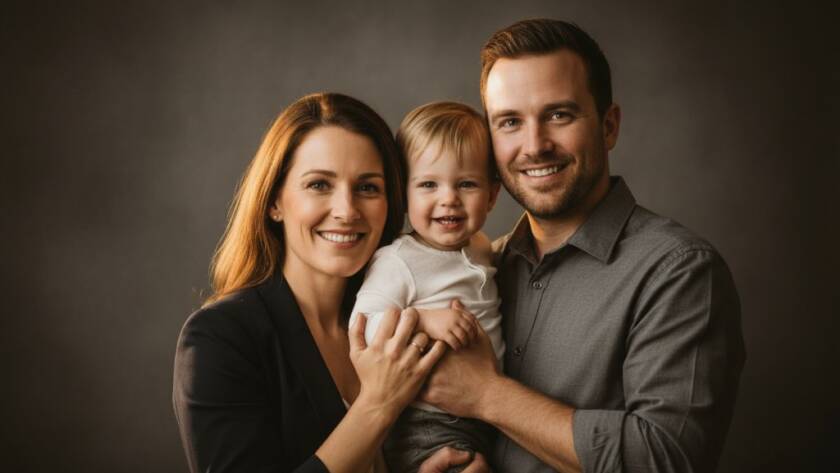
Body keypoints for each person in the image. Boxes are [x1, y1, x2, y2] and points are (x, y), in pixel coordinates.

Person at [419, 19, 746, 473]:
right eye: (510, 122)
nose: (534, 146)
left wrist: (486, 395)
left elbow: (666, 459)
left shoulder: (679, 271)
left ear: (608, 126)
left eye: (559, 115)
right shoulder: (484, 266)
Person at [172, 93, 488, 473]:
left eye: (368, 187)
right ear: (275, 201)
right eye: (319, 185)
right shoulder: (221, 338)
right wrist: (377, 405)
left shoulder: (403, 313)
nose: (347, 211)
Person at [350, 102, 504, 472]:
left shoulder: (481, 246)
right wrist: (422, 320)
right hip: (426, 420)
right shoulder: (399, 259)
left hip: (488, 414)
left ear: (492, 196)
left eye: (466, 184)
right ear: (404, 194)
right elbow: (364, 325)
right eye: (429, 184)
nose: (448, 198)